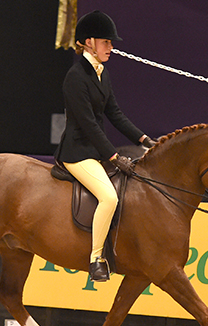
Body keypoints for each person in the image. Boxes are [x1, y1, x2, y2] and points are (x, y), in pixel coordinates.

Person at [54, 10, 156, 282]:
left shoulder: (103, 73)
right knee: (109, 197)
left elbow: (115, 114)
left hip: (95, 150)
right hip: (78, 153)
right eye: (106, 42)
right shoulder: (75, 77)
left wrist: (144, 140)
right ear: (89, 42)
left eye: (111, 43)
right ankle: (96, 258)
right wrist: (113, 156)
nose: (111, 47)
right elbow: (89, 125)